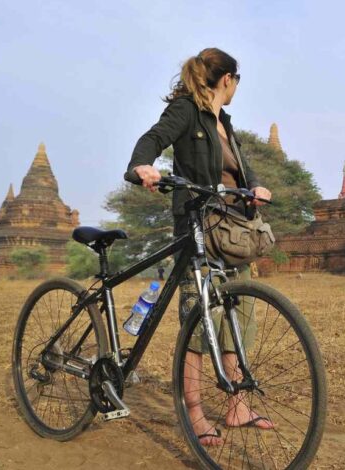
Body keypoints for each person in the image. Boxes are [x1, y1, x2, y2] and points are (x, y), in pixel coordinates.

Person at [125, 47, 274, 446]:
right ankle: (193, 412)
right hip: (197, 224)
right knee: (197, 317)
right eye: (238, 80)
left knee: (240, 313)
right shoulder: (186, 110)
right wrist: (142, 166)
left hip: (234, 228)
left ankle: (237, 405)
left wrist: (255, 187)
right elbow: (152, 139)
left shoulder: (225, 122)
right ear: (229, 79)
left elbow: (237, 168)